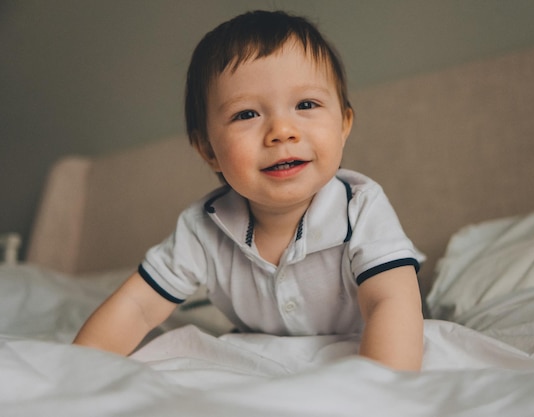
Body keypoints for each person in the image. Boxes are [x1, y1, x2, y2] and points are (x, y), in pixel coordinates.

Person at [73, 10, 425, 371]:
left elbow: (390, 303)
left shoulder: (361, 207)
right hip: (261, 358)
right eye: (246, 114)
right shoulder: (202, 227)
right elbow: (138, 306)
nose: (282, 131)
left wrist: (382, 388)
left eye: (306, 104)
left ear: (343, 125)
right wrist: (75, 367)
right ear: (209, 150)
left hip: (359, 347)